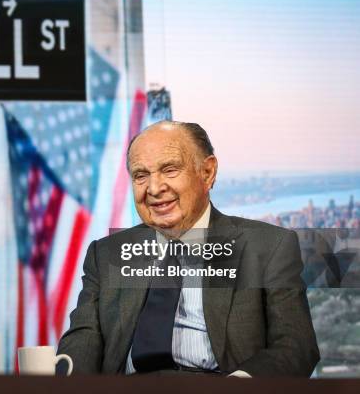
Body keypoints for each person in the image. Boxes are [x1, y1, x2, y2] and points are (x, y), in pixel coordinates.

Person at [57, 121, 319, 376]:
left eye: (170, 170)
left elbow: (296, 347)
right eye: (141, 175)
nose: (154, 188)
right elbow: (84, 336)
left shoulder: (268, 246)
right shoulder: (107, 253)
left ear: (207, 172)